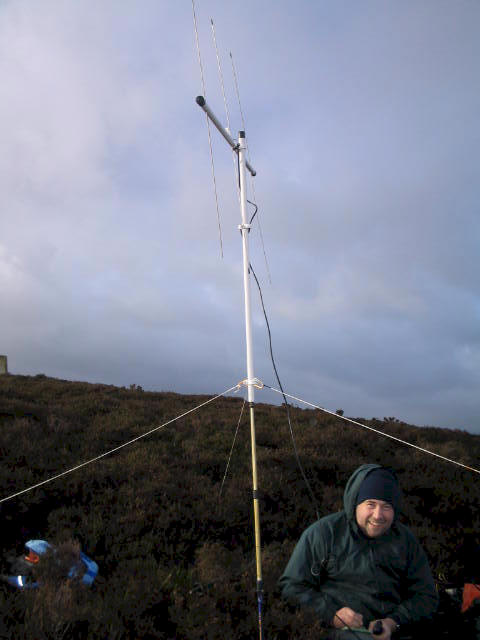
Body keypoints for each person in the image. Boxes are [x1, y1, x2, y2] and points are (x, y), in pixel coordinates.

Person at [279, 463, 438, 639]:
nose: (378, 515)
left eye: (386, 506)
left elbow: (426, 596)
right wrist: (331, 614)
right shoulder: (324, 534)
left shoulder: (405, 541)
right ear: (355, 502)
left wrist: (392, 623)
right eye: (371, 504)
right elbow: (291, 587)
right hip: (334, 632)